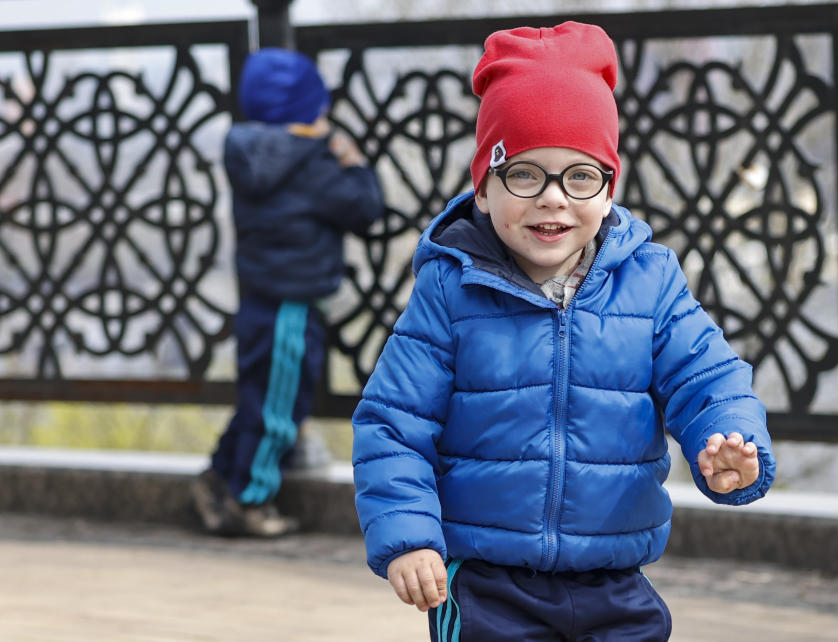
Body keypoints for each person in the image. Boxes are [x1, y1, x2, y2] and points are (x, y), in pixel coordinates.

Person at [352, 21, 775, 641]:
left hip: (615, 577)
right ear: (485, 187)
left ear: (608, 191)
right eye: (524, 174)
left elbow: (708, 376)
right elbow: (394, 423)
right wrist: (410, 538)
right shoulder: (450, 290)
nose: (554, 198)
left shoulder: (649, 282)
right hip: (488, 582)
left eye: (580, 176)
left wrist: (729, 440)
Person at [192, 47, 384, 537]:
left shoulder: (246, 151)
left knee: (258, 399)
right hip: (294, 304)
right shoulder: (312, 163)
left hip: (259, 298)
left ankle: (217, 479)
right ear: (310, 110)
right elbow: (365, 208)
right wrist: (354, 161)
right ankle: (247, 501)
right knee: (278, 408)